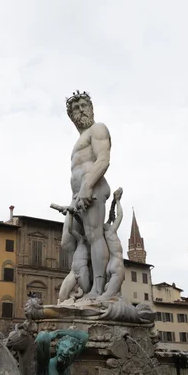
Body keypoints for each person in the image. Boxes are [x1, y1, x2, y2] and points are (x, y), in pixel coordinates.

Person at [61, 91, 111, 298]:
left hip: (92, 188)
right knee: (68, 241)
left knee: (94, 236)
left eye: (84, 105)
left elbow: (103, 159)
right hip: (77, 195)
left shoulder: (97, 129)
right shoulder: (80, 139)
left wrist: (87, 185)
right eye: (76, 108)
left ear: (91, 108)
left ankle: (98, 291)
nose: (81, 109)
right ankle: (82, 287)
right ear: (71, 115)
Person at [100, 188, 125, 302]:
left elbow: (110, 219)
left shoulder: (106, 235)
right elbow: (119, 216)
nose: (110, 224)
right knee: (107, 297)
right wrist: (118, 201)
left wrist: (112, 205)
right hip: (117, 264)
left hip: (110, 266)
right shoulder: (110, 232)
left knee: (113, 296)